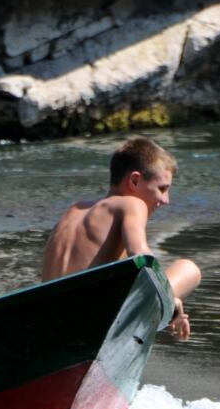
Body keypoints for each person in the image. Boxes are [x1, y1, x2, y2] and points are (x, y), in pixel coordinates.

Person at [41, 135, 202, 340]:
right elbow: (142, 259)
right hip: (89, 321)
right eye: (161, 189)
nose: (165, 200)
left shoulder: (74, 209)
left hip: (47, 320)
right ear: (134, 180)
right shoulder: (131, 204)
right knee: (189, 268)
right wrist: (171, 301)